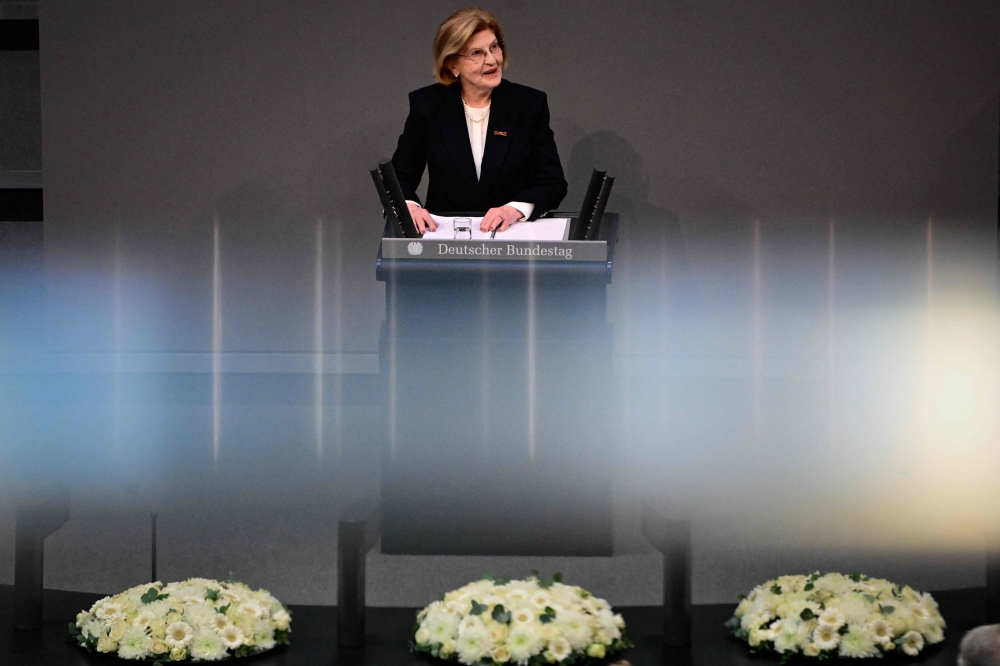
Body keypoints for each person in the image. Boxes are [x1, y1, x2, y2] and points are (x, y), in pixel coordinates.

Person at [391, 8, 568, 235]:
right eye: (477, 53)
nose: (492, 59)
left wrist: (513, 210)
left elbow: (552, 183)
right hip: (445, 242)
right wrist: (410, 209)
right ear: (453, 65)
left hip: (511, 240)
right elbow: (398, 179)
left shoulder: (528, 105)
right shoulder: (427, 106)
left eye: (494, 47)